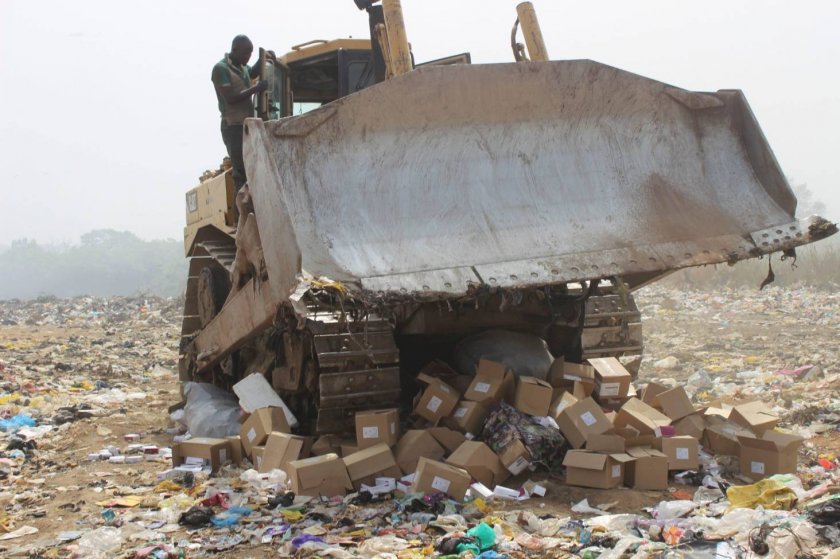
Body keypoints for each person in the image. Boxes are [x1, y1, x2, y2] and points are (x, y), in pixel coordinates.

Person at [211, 35, 268, 190]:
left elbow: (254, 72)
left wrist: (267, 58)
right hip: (233, 127)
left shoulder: (242, 68)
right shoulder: (220, 69)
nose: (248, 57)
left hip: (246, 126)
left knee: (252, 170)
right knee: (241, 173)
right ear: (234, 49)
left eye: (250, 54)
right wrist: (255, 89)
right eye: (245, 53)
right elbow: (230, 98)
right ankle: (240, 214)